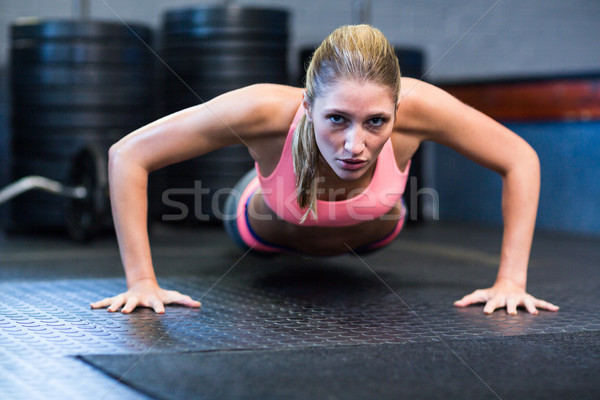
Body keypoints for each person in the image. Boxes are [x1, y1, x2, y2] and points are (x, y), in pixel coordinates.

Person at [91, 25, 559, 316]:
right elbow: (127, 154)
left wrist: (511, 281)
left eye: (377, 121)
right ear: (308, 103)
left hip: (370, 233)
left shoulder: (422, 107)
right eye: (337, 119)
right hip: (263, 230)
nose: (356, 145)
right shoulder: (262, 109)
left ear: (397, 107)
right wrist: (142, 282)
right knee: (249, 197)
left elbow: (520, 158)